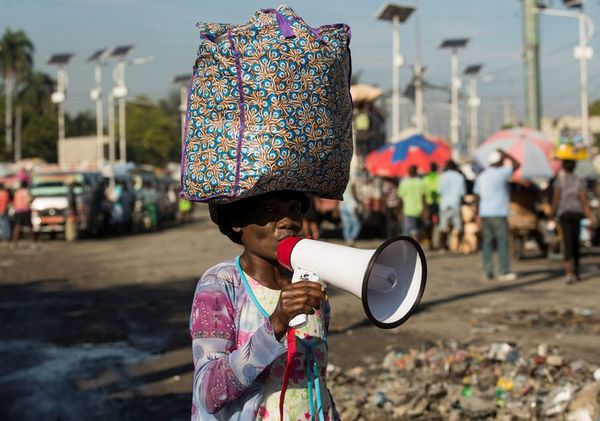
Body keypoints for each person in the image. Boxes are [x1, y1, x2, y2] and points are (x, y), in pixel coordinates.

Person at [190, 190, 336, 420]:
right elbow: (208, 392)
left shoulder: (310, 284)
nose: (288, 221)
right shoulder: (220, 284)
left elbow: (318, 381)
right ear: (237, 222)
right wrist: (275, 325)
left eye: (294, 209)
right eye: (270, 211)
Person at [473, 149, 520, 281]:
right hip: (498, 213)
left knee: (487, 243)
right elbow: (517, 165)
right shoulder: (501, 172)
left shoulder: (481, 176)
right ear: (500, 161)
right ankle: (503, 271)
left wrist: (477, 214)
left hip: (485, 213)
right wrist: (506, 154)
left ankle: (487, 271)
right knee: (502, 242)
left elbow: (477, 196)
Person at [550, 159, 592, 284]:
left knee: (567, 243)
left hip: (565, 214)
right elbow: (583, 200)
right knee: (575, 242)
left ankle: (569, 272)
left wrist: (551, 215)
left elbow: (556, 199)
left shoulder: (559, 180)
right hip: (577, 214)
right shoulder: (579, 180)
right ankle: (577, 271)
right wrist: (589, 215)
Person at [438, 160, 466, 251]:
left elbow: (440, 191)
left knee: (443, 226)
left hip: (444, 203)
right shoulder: (459, 177)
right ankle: (460, 245)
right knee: (458, 225)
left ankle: (442, 246)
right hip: (455, 203)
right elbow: (462, 193)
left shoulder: (442, 176)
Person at [398, 165, 428, 239]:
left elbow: (400, 198)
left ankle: (408, 247)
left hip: (408, 210)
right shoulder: (420, 182)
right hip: (419, 210)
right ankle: (416, 243)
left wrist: (400, 211)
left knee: (407, 231)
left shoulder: (404, 183)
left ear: (408, 172)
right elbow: (423, 198)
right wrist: (425, 210)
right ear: (416, 172)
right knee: (416, 229)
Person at [423, 163, 440, 250]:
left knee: (428, 224)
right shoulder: (439, 178)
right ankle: (436, 242)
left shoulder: (425, 179)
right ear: (436, 169)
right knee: (437, 224)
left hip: (428, 205)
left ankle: (430, 243)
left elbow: (423, 194)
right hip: (437, 204)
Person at [339, 178, 361, 246]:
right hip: (350, 206)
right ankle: (352, 238)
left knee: (347, 225)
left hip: (342, 205)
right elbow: (354, 194)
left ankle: (347, 239)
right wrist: (359, 201)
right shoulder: (351, 182)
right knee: (357, 224)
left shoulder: (341, 182)